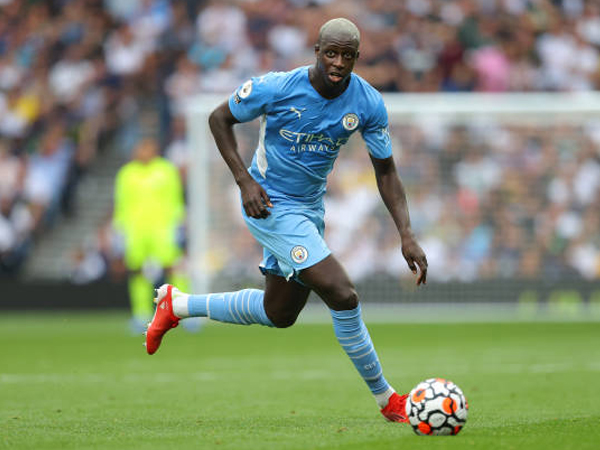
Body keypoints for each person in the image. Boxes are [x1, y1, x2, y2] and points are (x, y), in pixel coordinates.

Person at [145, 18, 428, 423]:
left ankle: (178, 304)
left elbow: (386, 171)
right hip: (270, 205)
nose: (338, 63)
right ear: (316, 50)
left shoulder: (367, 103)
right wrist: (244, 181)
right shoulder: (277, 87)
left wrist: (406, 234)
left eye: (347, 56)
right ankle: (388, 400)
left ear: (356, 59)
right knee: (342, 294)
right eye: (331, 52)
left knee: (279, 313)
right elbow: (217, 118)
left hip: (310, 209)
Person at [113, 138, 189, 331]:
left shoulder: (166, 170)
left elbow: (175, 199)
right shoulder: (126, 173)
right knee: (137, 271)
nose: (144, 152)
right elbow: (121, 203)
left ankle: (184, 311)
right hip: (135, 231)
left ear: (155, 150)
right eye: (140, 148)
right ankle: (141, 314)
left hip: (162, 229)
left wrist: (178, 224)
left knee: (173, 268)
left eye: (147, 148)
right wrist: (119, 228)